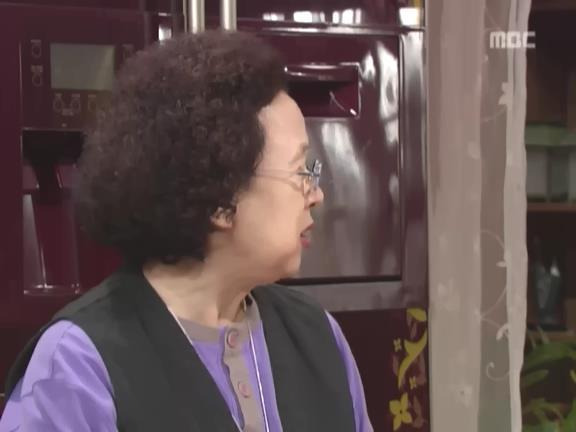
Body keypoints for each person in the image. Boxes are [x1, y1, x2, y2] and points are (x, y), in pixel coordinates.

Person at [0, 31, 373, 432]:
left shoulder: (317, 337)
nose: (316, 194)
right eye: (301, 171)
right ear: (220, 198)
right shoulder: (79, 365)